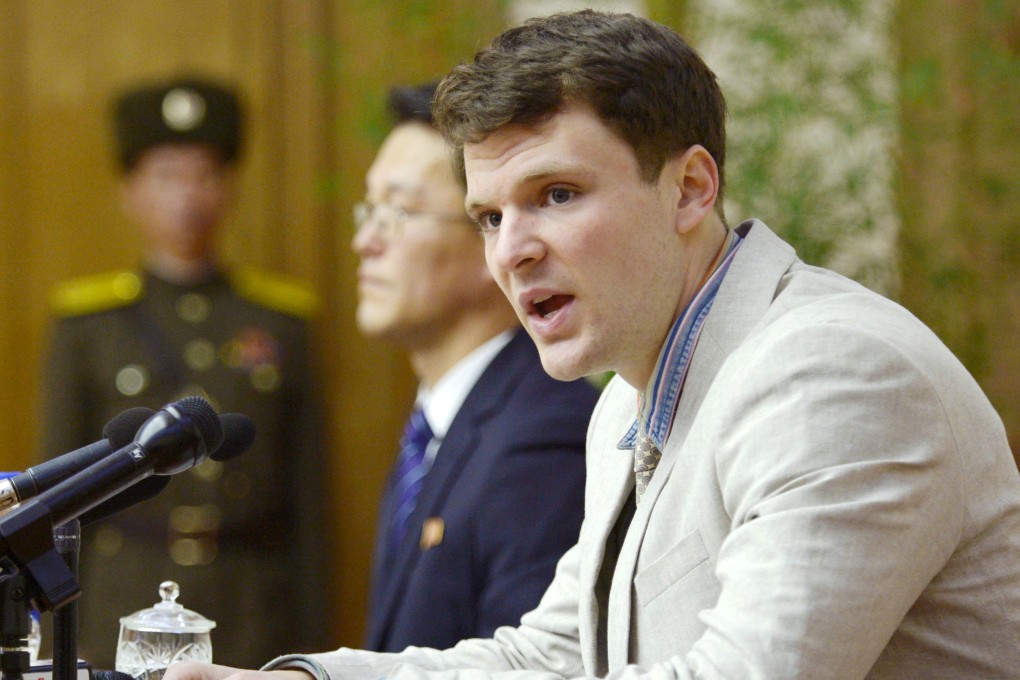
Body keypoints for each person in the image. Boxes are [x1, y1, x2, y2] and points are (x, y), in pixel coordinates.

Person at [165, 10, 1020, 680]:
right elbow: (553, 656)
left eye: (557, 194)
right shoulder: (627, 398)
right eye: (489, 216)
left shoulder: (831, 373)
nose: (511, 251)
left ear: (690, 188)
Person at [39, 74, 331, 668]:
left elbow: (309, 499)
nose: (188, 197)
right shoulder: (87, 326)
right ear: (129, 190)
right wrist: (64, 629)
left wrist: (310, 637)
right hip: (120, 601)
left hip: (253, 605)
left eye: (206, 175)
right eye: (167, 176)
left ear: (231, 186)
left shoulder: (281, 323)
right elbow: (60, 499)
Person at [352, 81, 597, 651]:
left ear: (494, 235)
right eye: (369, 209)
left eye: (398, 212)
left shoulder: (543, 437)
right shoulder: (437, 426)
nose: (365, 241)